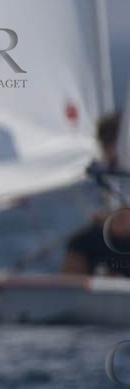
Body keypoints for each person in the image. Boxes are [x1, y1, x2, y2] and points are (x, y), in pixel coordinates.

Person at [61, 112, 130, 278]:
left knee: (82, 246)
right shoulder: (111, 171)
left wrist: (109, 219)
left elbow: (122, 225)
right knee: (87, 244)